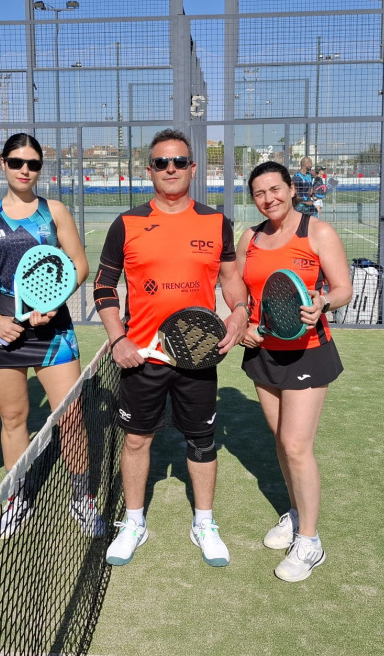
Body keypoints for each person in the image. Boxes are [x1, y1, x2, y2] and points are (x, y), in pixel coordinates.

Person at [94, 128, 249, 568]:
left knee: (202, 441)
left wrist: (240, 311)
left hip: (197, 354)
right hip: (141, 356)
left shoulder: (216, 222)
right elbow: (104, 286)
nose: (171, 169)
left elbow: (231, 279)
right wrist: (118, 338)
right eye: (161, 162)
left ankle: (204, 523)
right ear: (149, 170)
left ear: (193, 168)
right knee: (136, 440)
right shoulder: (126, 224)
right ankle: (134, 523)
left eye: (179, 161)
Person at [0, 133, 103, 539]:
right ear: (3, 164)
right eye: (16, 162)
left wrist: (54, 303)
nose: (25, 170)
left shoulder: (54, 211)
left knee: (71, 417)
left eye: (33, 164)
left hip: (53, 330)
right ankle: (16, 498)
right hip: (2, 331)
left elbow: (79, 265)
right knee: (13, 419)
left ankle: (81, 498)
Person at [236, 160, 352, 583]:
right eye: (259, 193)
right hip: (263, 351)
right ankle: (296, 511)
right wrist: (243, 322)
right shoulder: (249, 237)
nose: (268, 199)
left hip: (308, 352)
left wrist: (323, 303)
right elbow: (239, 287)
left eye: (275, 189)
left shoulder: (318, 233)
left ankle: (310, 541)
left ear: (290, 188)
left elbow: (343, 288)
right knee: (282, 444)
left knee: (296, 445)